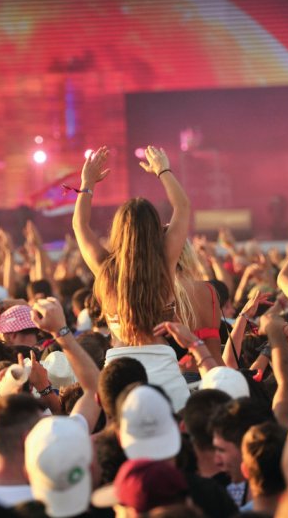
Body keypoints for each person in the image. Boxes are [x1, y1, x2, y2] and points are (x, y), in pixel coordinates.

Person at [73, 146, 192, 410]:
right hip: (163, 368)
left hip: (118, 371)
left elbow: (80, 226)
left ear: (118, 230)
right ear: (154, 229)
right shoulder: (164, 262)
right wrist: (163, 170)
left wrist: (87, 184)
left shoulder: (105, 268)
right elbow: (182, 208)